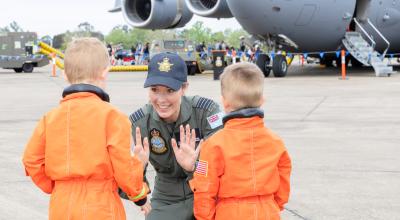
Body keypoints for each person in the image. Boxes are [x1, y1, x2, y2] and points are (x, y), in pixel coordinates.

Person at [22, 38, 151, 220]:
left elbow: (31, 160)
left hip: (61, 207)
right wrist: (140, 196)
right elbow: (123, 168)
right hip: (101, 206)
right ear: (105, 72)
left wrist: (56, 186)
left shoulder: (49, 119)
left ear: (65, 75)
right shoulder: (113, 117)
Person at [120, 52, 224, 220]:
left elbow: (223, 167)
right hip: (166, 199)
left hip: (205, 191)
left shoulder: (206, 112)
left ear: (184, 88)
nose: (161, 99)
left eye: (169, 90)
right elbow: (122, 179)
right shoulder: (139, 123)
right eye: (154, 90)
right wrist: (137, 174)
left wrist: (194, 166)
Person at [191, 62, 292, 220]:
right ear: (262, 100)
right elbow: (284, 180)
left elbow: (204, 186)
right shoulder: (276, 142)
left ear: (225, 103)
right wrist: (272, 205)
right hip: (267, 211)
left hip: (229, 213)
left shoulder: (213, 144)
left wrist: (205, 217)